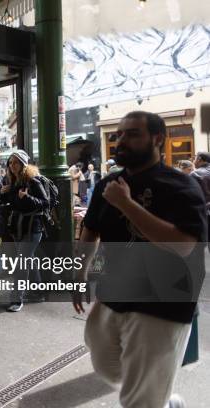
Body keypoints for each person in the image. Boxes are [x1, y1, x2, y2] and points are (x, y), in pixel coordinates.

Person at [73, 111, 206, 408]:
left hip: (163, 302)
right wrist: (79, 274)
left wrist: (126, 204)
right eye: (118, 134)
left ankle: (152, 398)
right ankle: (160, 397)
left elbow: (183, 245)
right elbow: (90, 230)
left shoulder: (181, 186)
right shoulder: (109, 183)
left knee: (140, 401)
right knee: (104, 361)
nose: (121, 141)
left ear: (157, 139)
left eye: (132, 134)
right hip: (114, 292)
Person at [0, 150, 49, 312]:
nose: (12, 165)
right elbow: (15, 204)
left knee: (22, 262)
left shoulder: (33, 181)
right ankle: (38, 293)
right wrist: (5, 194)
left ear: (23, 164)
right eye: (11, 162)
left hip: (32, 228)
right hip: (18, 227)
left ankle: (16, 299)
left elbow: (44, 203)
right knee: (29, 260)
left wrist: (27, 198)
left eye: (16, 162)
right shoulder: (14, 182)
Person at [191, 152, 210, 244]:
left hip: (205, 214)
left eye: (194, 158)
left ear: (199, 159)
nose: (193, 161)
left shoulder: (195, 174)